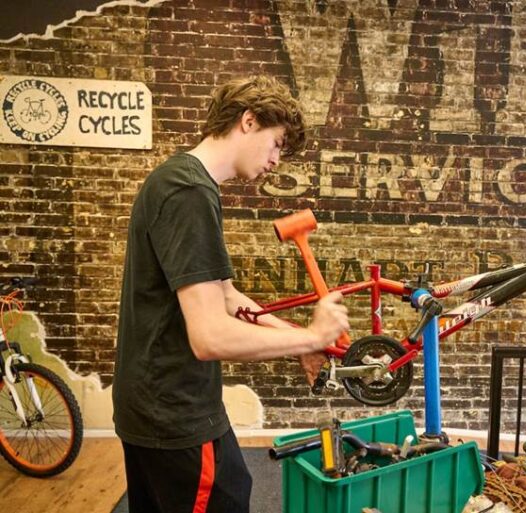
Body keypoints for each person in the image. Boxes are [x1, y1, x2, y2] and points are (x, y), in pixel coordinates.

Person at [112, 76, 349, 513]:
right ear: (248, 121)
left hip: (151, 404)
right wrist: (312, 337)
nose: (277, 160)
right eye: (276, 143)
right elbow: (211, 337)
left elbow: (223, 295)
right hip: (175, 411)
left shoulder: (180, 180)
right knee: (227, 495)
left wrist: (296, 339)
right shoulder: (189, 191)